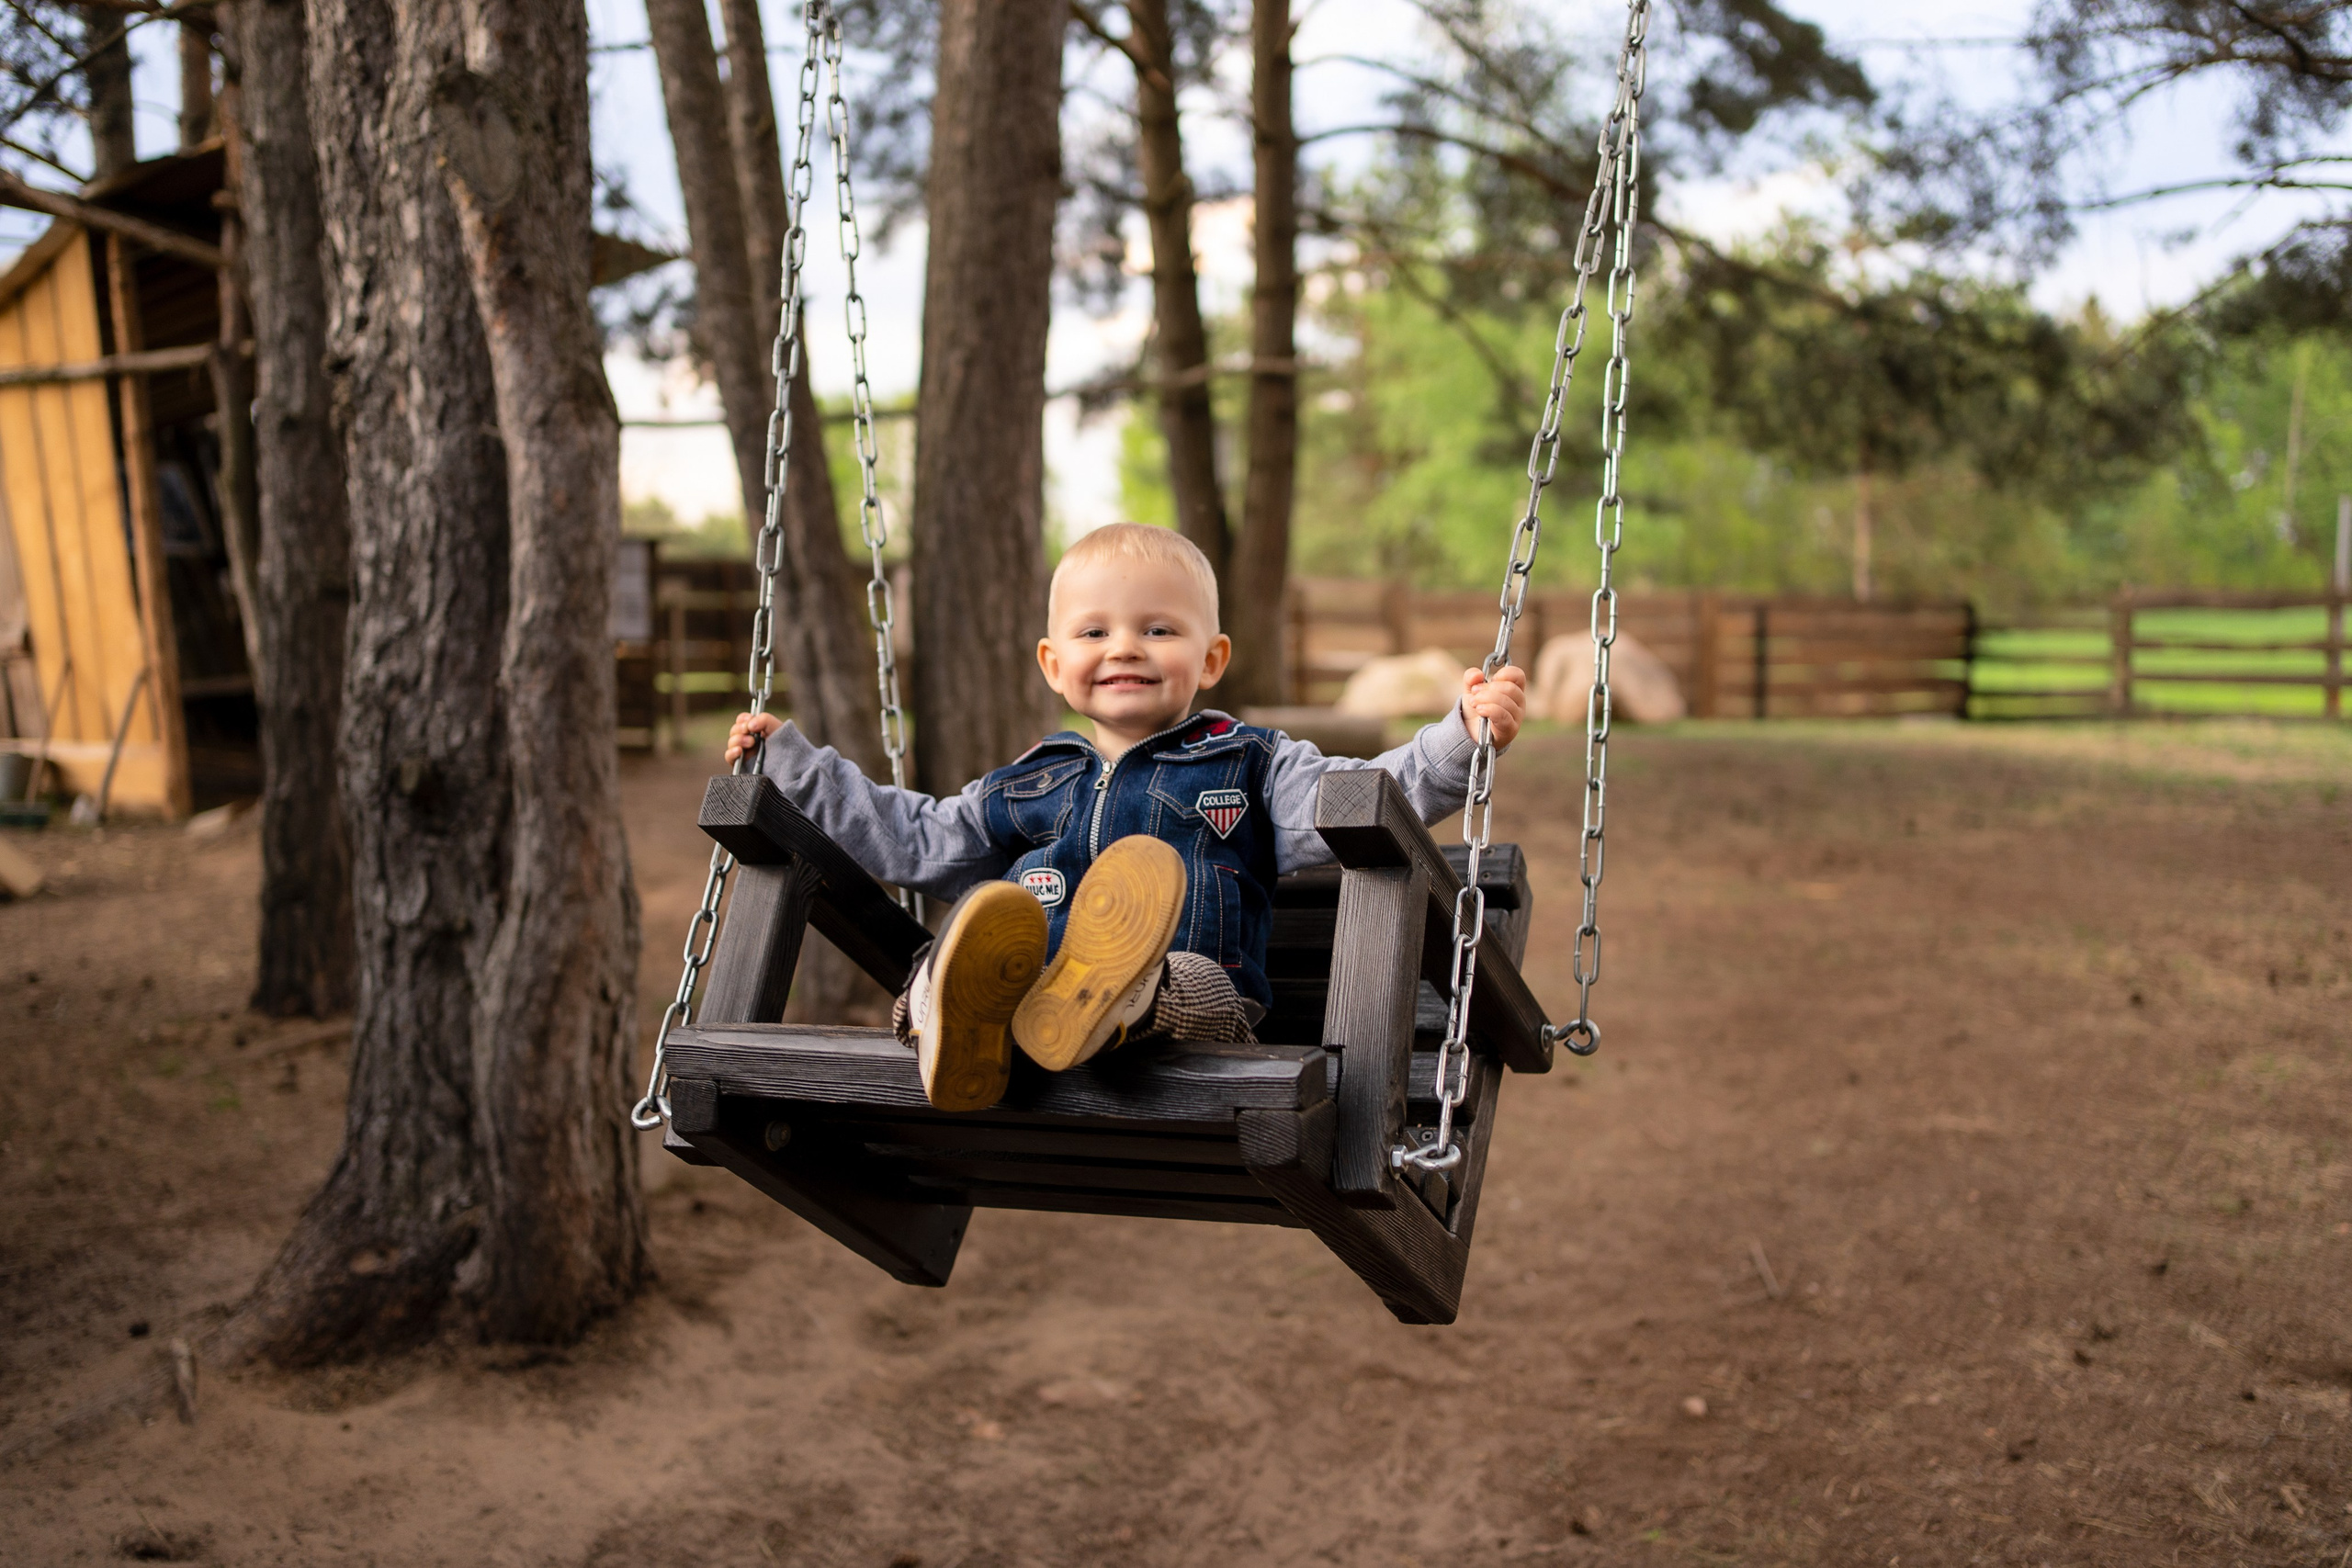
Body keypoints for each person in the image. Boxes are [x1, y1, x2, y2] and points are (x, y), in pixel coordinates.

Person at [725, 524, 1527, 1111]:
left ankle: (1109, 994)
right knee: (942, 962)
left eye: (1159, 629)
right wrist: (797, 766)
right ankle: (956, 1016)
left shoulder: (1253, 763)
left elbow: (1370, 794)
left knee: (1183, 982)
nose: (1125, 648)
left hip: (1194, 1009)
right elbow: (914, 836)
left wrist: (1461, 738)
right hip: (1018, 996)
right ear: (1054, 663)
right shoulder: (1031, 779)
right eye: (1094, 631)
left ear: (1211, 659)